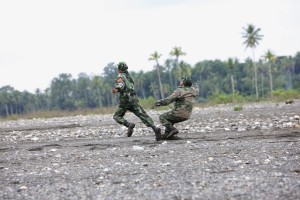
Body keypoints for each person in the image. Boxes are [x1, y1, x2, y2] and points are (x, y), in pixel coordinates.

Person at [112, 62, 162, 141]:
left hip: (125, 101)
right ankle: (155, 128)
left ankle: (128, 125)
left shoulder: (120, 76)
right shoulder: (129, 76)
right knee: (143, 116)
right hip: (134, 100)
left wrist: (117, 89)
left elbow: (121, 84)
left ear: (119, 69)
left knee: (116, 116)